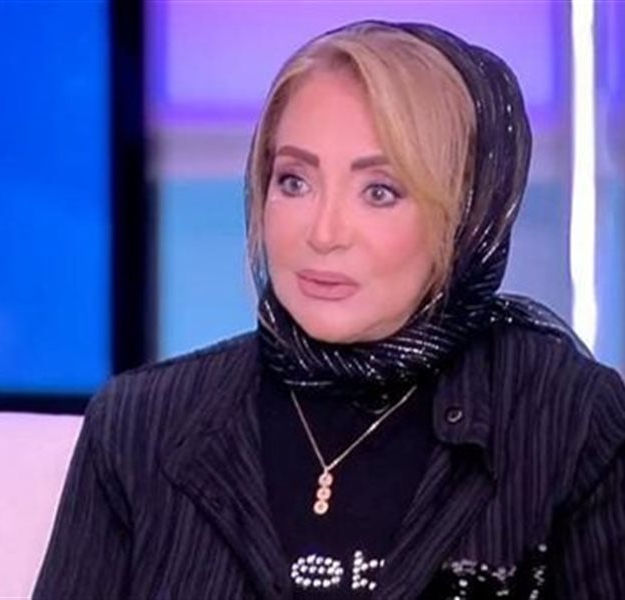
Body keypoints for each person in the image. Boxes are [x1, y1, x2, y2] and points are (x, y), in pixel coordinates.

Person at [33, 20, 625, 599]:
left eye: (380, 191)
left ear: (466, 216)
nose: (323, 233)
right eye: (294, 181)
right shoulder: (139, 425)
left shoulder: (569, 423)